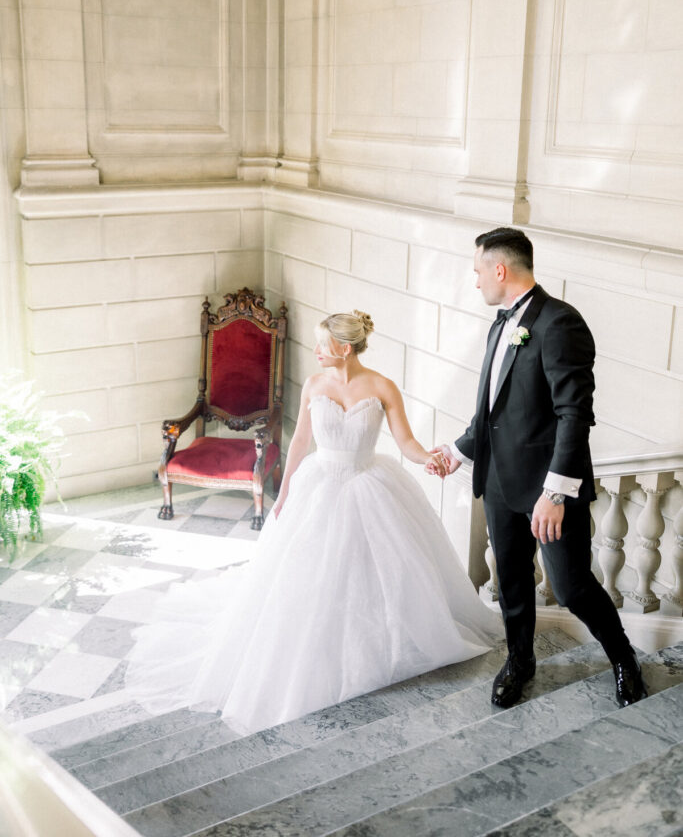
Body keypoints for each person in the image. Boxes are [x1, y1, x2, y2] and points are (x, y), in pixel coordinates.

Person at [126, 310, 502, 735]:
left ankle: (376, 647)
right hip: (319, 485)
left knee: (371, 574)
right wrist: (284, 495)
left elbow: (407, 443)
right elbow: (301, 441)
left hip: (369, 485)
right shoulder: (313, 385)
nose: (317, 351)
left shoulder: (381, 387)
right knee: (308, 575)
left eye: (323, 344)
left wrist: (432, 459)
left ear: (344, 348)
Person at [429, 227, 647, 710]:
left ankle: (623, 658)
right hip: (501, 484)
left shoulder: (559, 324)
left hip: (549, 489)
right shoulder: (499, 324)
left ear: (500, 269)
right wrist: (459, 452)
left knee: (571, 586)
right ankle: (520, 661)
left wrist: (555, 494)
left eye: (478, 271)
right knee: (511, 582)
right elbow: (493, 408)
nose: (476, 281)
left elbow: (575, 415)